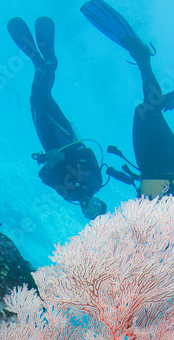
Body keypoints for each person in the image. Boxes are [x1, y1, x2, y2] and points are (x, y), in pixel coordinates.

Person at [81, 0, 174, 244]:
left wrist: (100, 212)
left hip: (148, 170)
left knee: (143, 110)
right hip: (171, 167)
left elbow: (127, 219)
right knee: (149, 110)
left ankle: (149, 67)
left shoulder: (145, 237)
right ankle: (144, 58)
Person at [7, 16, 107, 220]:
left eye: (89, 213)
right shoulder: (95, 182)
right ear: (99, 202)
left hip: (48, 144)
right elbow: (87, 154)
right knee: (43, 97)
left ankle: (39, 63)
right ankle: (50, 64)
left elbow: (45, 177)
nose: (91, 208)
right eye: (96, 207)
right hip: (67, 141)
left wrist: (48, 163)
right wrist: (65, 158)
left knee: (35, 100)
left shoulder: (68, 195)